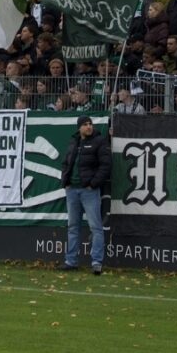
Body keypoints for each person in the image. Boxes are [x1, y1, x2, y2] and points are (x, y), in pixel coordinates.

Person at [60, 115, 110, 274]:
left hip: (89, 191)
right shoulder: (74, 141)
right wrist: (65, 182)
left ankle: (96, 263)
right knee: (73, 227)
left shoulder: (99, 141)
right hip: (72, 190)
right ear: (79, 127)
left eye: (90, 124)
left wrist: (93, 184)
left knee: (95, 227)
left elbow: (106, 165)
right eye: (85, 124)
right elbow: (66, 163)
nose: (89, 127)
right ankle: (71, 261)